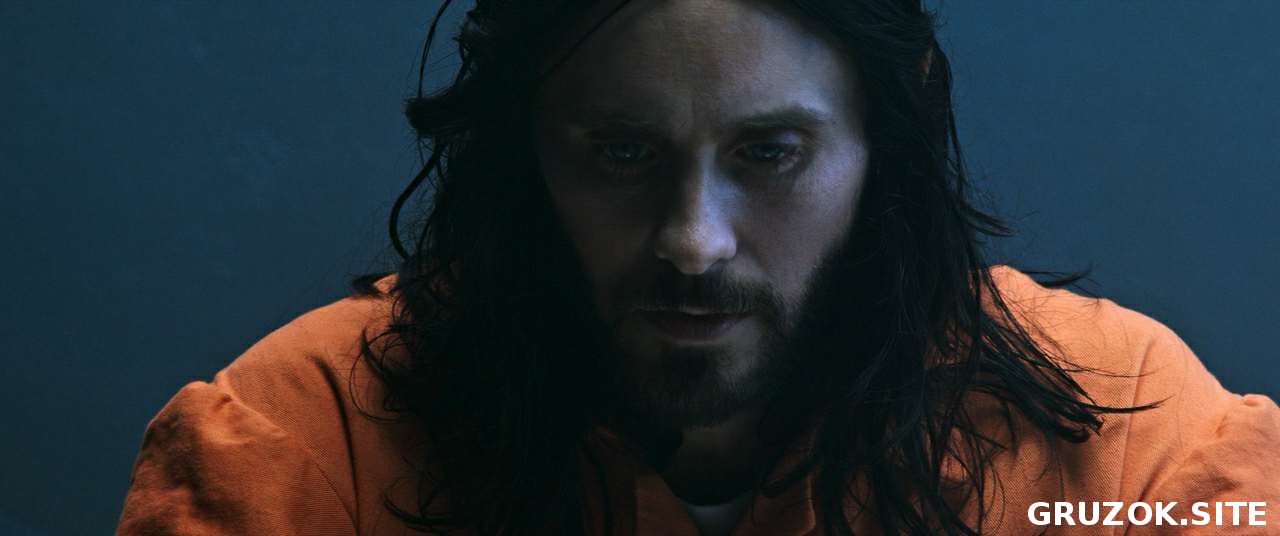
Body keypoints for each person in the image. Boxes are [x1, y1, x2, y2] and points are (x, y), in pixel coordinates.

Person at [117, 1, 1280, 534]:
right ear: (530, 147)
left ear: (885, 139)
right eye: (621, 153)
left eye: (768, 153)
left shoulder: (1129, 446)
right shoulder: (303, 448)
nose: (692, 238)